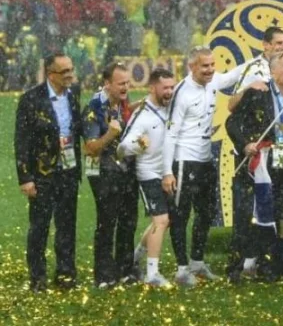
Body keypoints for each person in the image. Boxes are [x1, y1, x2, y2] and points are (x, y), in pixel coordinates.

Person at [162, 46, 256, 286]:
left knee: (206, 213)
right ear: (191, 66)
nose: (210, 70)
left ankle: (196, 262)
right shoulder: (182, 93)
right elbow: (170, 134)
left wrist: (263, 58)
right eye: (205, 66)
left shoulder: (213, 80)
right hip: (184, 160)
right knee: (181, 215)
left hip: (205, 160)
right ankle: (181, 269)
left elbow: (233, 75)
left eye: (212, 65)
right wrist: (167, 172)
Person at [224, 52, 283, 283]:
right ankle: (235, 268)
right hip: (253, 160)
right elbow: (232, 122)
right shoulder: (258, 93)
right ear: (273, 71)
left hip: (278, 159)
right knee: (245, 214)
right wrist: (244, 144)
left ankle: (265, 265)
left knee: (270, 213)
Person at [15, 53, 82, 291]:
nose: (70, 75)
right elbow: (21, 141)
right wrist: (25, 178)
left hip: (69, 171)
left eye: (71, 69)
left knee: (67, 225)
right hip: (43, 173)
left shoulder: (73, 95)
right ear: (50, 74)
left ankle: (66, 274)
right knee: (39, 227)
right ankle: (38, 277)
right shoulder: (31, 99)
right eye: (65, 72)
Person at [118, 68, 176, 287]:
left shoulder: (170, 106)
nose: (169, 92)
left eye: (172, 87)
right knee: (160, 220)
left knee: (167, 220)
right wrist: (139, 144)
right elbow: (124, 146)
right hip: (148, 173)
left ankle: (136, 257)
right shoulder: (142, 115)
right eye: (165, 88)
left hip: (166, 172)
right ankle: (152, 274)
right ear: (152, 88)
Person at [83, 62, 138, 288]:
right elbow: (90, 148)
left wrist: (136, 108)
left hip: (125, 168)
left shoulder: (121, 102)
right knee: (107, 222)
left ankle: (125, 270)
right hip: (103, 171)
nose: (126, 87)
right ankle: (104, 275)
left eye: (127, 82)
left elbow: (123, 119)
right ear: (107, 84)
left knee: (128, 219)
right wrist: (110, 135)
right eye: (121, 83)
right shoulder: (94, 107)